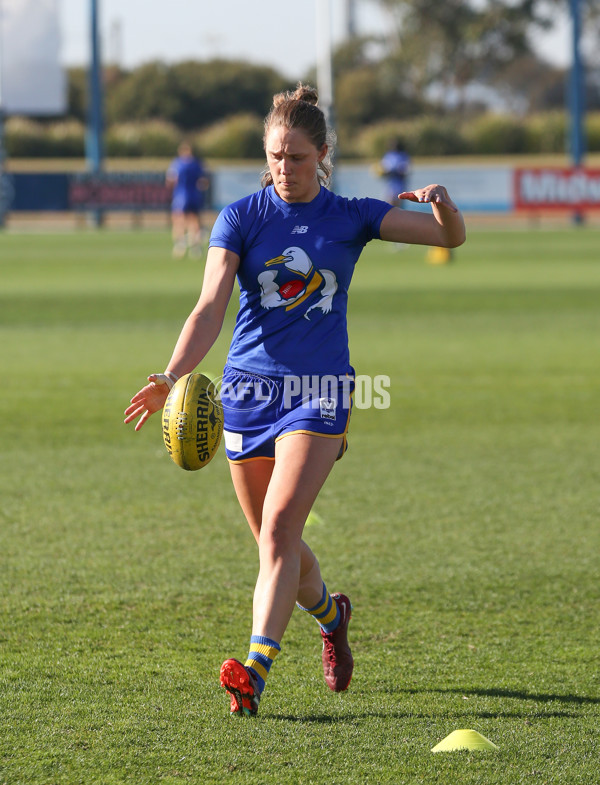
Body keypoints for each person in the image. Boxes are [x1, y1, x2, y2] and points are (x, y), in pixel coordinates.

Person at [124, 84, 465, 718]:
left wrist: (444, 208)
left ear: (324, 155)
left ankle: (253, 670)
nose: (286, 168)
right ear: (266, 154)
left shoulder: (354, 215)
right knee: (273, 545)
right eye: (277, 156)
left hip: (321, 394)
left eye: (299, 157)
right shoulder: (240, 217)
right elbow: (209, 308)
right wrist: (169, 377)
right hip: (247, 394)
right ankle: (332, 617)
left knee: (282, 528)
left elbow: (452, 237)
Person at [166, 142, 209, 258]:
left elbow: (170, 179)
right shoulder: (197, 163)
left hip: (181, 195)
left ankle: (180, 245)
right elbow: (204, 182)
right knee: (194, 220)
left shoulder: (177, 163)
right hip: (194, 195)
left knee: (178, 219)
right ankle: (195, 246)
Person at [379, 138, 411, 207]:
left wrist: (394, 172)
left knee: (398, 207)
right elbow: (383, 169)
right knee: (388, 206)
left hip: (400, 184)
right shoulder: (388, 155)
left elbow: (405, 172)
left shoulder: (403, 156)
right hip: (390, 185)